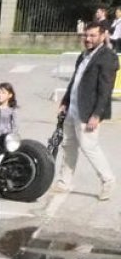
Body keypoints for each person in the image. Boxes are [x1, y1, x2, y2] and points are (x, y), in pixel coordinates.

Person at [54, 21, 116, 200]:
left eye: (92, 36)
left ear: (103, 36)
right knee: (68, 145)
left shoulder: (108, 57)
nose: (88, 39)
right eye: (86, 35)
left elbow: (105, 90)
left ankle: (108, 180)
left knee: (90, 147)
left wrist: (97, 114)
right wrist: (65, 101)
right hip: (73, 108)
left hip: (88, 111)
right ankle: (64, 181)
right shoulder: (83, 55)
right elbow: (75, 80)